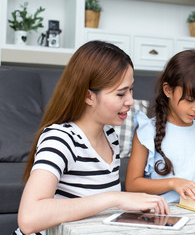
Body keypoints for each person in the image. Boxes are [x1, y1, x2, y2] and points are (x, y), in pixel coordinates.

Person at [15, 41, 169, 235]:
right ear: (89, 96)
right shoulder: (61, 138)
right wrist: (114, 198)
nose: (130, 101)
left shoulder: (110, 136)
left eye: (131, 89)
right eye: (121, 93)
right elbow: (29, 219)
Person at [125, 50, 195, 203]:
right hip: (163, 213)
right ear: (168, 90)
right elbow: (132, 184)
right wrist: (173, 183)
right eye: (190, 100)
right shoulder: (147, 131)